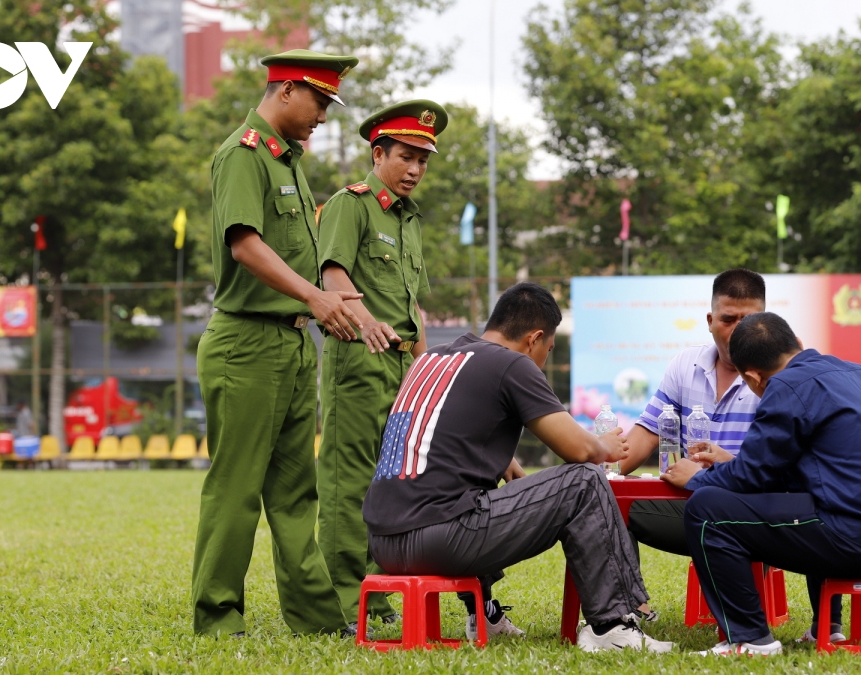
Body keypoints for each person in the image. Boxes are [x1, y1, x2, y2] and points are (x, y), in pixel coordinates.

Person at [363, 282, 675, 653]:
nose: (543, 359)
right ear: (535, 338)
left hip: (383, 541)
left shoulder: (433, 358)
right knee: (584, 482)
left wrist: (503, 459)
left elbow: (438, 436)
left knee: (471, 494)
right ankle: (612, 626)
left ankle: (486, 614)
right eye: (549, 349)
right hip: (437, 539)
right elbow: (578, 450)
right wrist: (603, 446)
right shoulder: (510, 362)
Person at [190, 49, 364, 638]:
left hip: (291, 344)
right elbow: (246, 244)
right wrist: (315, 299)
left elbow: (299, 259)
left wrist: (336, 301)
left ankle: (316, 620)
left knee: (296, 493)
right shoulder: (243, 155)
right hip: (245, 343)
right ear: (286, 90)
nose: (323, 114)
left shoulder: (289, 163)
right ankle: (218, 618)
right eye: (319, 100)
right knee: (237, 488)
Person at [662, 312, 861, 656]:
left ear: (753, 377)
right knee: (809, 499)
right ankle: (827, 628)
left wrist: (697, 478)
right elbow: (787, 472)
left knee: (706, 510)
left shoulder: (786, 385)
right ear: (798, 346)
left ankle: (750, 639)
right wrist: (732, 462)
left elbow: (754, 478)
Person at [316, 101, 451, 632]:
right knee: (348, 481)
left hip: (400, 366)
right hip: (358, 356)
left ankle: (377, 590)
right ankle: (344, 600)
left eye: (424, 159)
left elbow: (413, 306)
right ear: (378, 154)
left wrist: (424, 371)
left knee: (391, 479)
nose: (416, 168)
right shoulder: (351, 206)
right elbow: (331, 276)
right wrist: (365, 319)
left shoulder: (409, 218)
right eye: (406, 156)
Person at [621, 269, 765, 558]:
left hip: (749, 513)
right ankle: (634, 605)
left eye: (748, 320)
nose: (738, 330)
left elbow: (772, 474)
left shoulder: (778, 375)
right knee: (604, 503)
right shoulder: (685, 365)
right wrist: (596, 475)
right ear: (710, 322)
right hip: (690, 503)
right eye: (728, 319)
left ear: (765, 323)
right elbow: (644, 437)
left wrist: (721, 469)